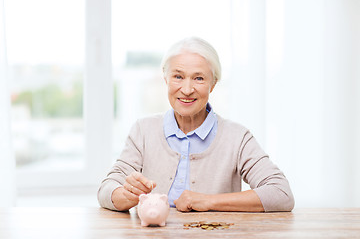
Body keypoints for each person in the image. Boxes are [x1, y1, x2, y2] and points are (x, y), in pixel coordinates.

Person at [97, 37, 294, 212]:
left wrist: (208, 201)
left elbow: (281, 193)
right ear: (166, 78)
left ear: (213, 84)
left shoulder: (237, 137)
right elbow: (106, 188)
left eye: (199, 78)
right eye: (178, 76)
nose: (187, 89)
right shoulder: (143, 130)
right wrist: (126, 195)